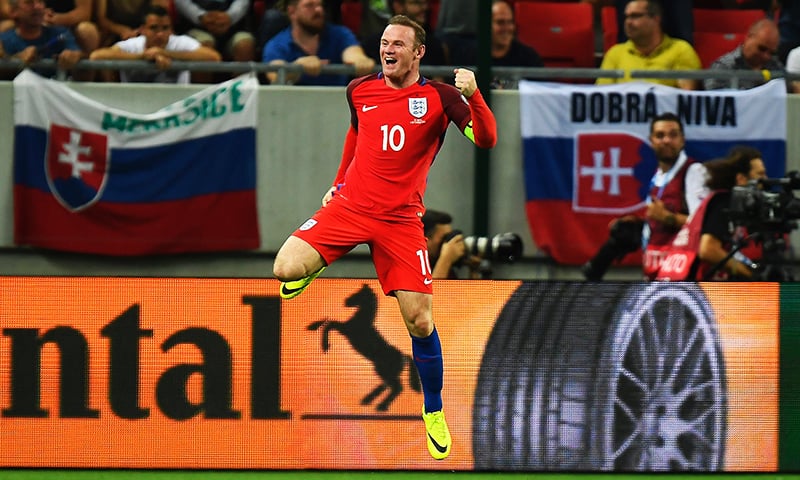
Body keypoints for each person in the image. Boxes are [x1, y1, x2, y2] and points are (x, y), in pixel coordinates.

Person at [272, 15, 497, 460]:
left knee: (420, 321)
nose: (388, 49)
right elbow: (356, 134)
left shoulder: (440, 97)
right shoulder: (359, 90)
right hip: (350, 206)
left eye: (398, 44)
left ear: (418, 53)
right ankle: (311, 269)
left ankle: (432, 409)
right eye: (384, 42)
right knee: (284, 268)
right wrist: (338, 183)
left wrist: (475, 96)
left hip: (400, 222)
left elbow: (486, 139)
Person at [582, 112, 708, 281]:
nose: (666, 140)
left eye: (673, 135)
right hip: (655, 272)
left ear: (682, 140)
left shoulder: (694, 172)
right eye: (660, 135)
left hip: (681, 276)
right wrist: (643, 225)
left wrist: (667, 217)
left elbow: (704, 226)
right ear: (651, 140)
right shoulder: (658, 176)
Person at [656, 146, 767, 281]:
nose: (765, 180)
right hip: (691, 289)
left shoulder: (725, 203)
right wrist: (750, 274)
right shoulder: (723, 203)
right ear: (741, 179)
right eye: (760, 174)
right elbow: (708, 250)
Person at [89, 5, 222, 84]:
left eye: (165, 28)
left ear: (171, 29)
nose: (160, 34)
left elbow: (214, 57)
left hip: (176, 105)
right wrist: (142, 57)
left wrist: (165, 53)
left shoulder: (180, 41)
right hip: (134, 104)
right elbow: (96, 56)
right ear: (142, 30)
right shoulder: (133, 45)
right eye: (154, 28)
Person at [262, 0, 375, 85]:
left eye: (320, 5)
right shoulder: (277, 44)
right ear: (292, 12)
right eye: (309, 5)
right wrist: (298, 67)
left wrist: (360, 60)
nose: (318, 10)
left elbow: (353, 53)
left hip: (339, 107)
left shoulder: (340, 34)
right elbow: (274, 74)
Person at [596, 0, 702, 90]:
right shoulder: (615, 53)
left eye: (635, 16)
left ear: (656, 19)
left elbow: (686, 98)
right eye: (626, 17)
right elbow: (602, 94)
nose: (628, 22)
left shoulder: (681, 50)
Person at [0, 0, 88, 80]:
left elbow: (80, 55)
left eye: (40, 2)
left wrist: (74, 56)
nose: (37, 7)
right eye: (29, 3)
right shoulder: (4, 40)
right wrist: (17, 60)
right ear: (13, 12)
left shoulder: (61, 34)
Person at [361, 0, 446, 71]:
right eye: (416, 3)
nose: (424, 8)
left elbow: (438, 81)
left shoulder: (433, 44)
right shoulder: (372, 44)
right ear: (398, 6)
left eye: (425, 3)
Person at [704, 18, 784, 91]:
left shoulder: (776, 66)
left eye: (772, 53)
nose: (766, 56)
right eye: (762, 48)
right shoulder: (723, 67)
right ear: (749, 37)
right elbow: (715, 103)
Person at [173, 0, 255, 67]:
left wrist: (229, 17)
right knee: (204, 45)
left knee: (244, 45)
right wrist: (201, 16)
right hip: (196, 25)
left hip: (233, 25)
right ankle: (201, 87)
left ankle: (241, 86)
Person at [422, 209, 483, 279]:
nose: (448, 242)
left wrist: (473, 270)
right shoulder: (412, 265)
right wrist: (446, 259)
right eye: (444, 237)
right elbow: (434, 288)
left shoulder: (440, 264)